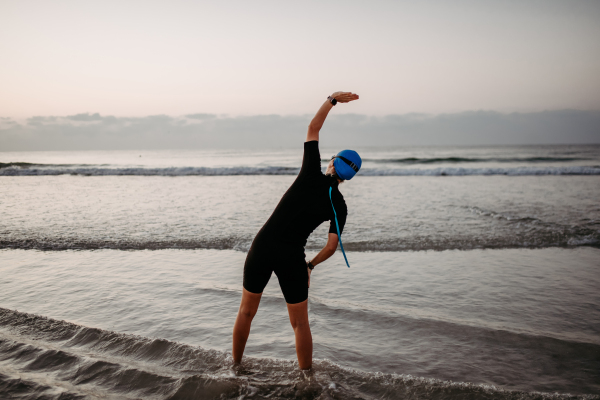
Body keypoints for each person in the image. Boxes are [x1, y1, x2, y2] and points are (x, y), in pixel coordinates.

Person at [232, 92, 362, 370]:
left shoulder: (309, 173)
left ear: (332, 162)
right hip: (292, 258)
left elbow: (313, 127)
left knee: (246, 312)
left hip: (263, 246)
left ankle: (235, 368)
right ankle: (306, 379)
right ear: (348, 177)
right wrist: (310, 266)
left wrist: (332, 100)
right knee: (300, 324)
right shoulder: (339, 205)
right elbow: (330, 247)